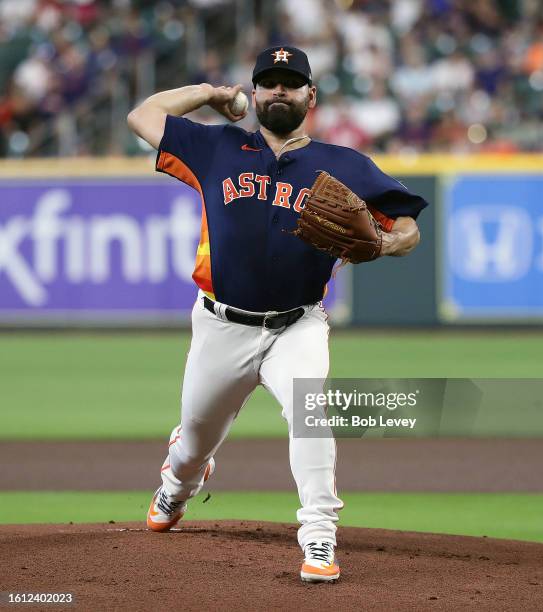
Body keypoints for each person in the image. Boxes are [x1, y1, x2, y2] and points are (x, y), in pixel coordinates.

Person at [127, 45, 428, 583]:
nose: (279, 90)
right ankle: (177, 483)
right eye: (269, 82)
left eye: (291, 82)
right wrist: (209, 94)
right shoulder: (216, 146)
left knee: (312, 418)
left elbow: (408, 227)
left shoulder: (345, 165)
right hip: (221, 324)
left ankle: (318, 537)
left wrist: (384, 244)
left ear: (311, 96)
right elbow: (142, 117)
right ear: (256, 91)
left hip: (299, 324)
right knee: (195, 440)